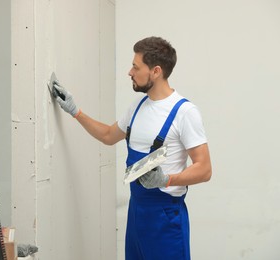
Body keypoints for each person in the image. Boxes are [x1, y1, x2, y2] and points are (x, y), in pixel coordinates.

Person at [52, 36, 212, 260]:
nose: (130, 72)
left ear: (156, 71)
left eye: (136, 67)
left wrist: (166, 180)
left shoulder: (185, 112)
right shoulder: (137, 107)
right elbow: (108, 135)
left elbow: (204, 169)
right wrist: (75, 111)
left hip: (165, 215)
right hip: (137, 211)